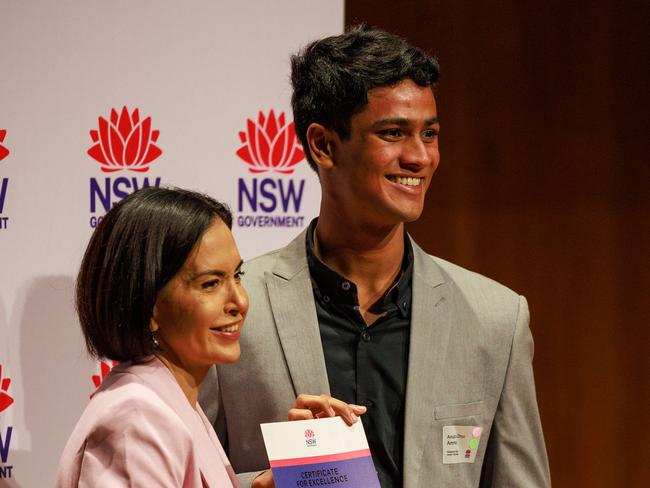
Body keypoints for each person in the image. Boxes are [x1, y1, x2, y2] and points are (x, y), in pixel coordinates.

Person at [200, 25, 551, 487]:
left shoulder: (495, 320)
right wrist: (267, 483)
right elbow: (183, 475)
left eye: (430, 133)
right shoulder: (234, 310)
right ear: (324, 145)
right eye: (393, 133)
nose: (420, 157)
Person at [56, 187, 364, 487]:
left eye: (237, 276)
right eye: (210, 284)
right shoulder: (136, 420)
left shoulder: (173, 400)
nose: (239, 302)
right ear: (149, 305)